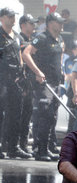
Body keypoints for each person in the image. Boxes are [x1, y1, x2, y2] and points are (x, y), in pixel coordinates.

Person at [22, 12, 65, 161]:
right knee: (44, 114)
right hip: (44, 83)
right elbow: (26, 54)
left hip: (56, 83)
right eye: (59, 22)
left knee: (52, 117)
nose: (61, 25)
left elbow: (60, 57)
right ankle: (39, 150)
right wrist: (38, 72)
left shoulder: (59, 39)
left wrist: (62, 73)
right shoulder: (41, 38)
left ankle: (45, 148)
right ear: (50, 23)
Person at [0, 8, 33, 159]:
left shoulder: (17, 36)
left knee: (15, 116)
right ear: (2, 18)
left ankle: (13, 147)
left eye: (14, 16)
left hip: (15, 81)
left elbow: (20, 56)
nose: (13, 19)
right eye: (9, 16)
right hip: (2, 80)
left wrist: (22, 74)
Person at [18, 13, 39, 154]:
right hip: (21, 84)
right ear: (24, 25)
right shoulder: (18, 39)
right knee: (17, 116)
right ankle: (13, 144)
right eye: (31, 23)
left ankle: (23, 144)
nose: (34, 26)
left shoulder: (32, 40)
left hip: (31, 84)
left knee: (27, 116)